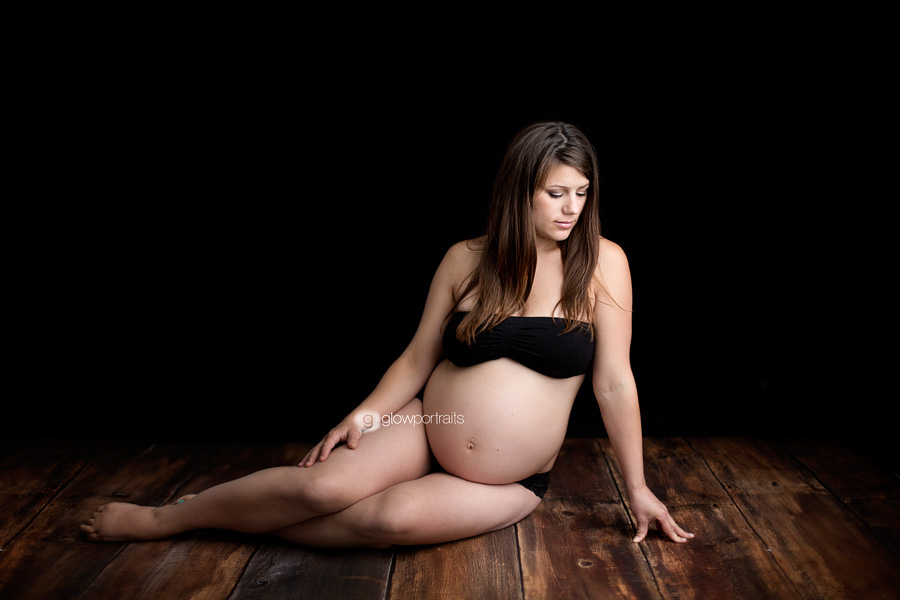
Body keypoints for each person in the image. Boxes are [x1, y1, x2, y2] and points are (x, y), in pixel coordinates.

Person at [81, 121, 693, 547]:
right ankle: (166, 520)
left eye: (581, 195)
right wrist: (364, 416)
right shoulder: (465, 259)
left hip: (514, 479)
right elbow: (417, 358)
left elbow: (614, 382)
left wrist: (635, 488)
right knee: (324, 487)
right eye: (555, 194)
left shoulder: (603, 263)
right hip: (430, 426)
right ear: (517, 193)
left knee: (388, 519)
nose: (570, 210)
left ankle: (215, 521)